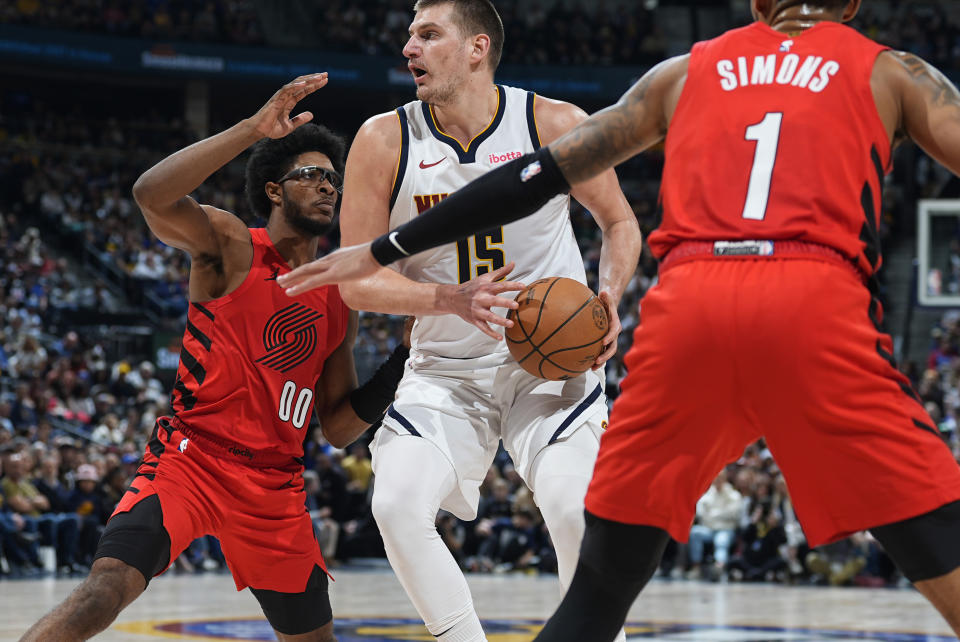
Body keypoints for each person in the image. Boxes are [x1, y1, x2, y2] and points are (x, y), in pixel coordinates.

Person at [278, 0, 960, 637]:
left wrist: (386, 249)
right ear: (851, 6)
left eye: (428, 33)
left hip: (673, 310)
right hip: (806, 298)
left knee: (600, 555)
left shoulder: (684, 70)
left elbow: (541, 183)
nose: (410, 47)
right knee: (928, 533)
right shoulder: (891, 70)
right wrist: (425, 285)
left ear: (756, 5)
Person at [21, 74, 410, 642]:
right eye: (311, 176)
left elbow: (337, 428)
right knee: (108, 584)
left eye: (333, 179)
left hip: (274, 488)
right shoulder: (230, 244)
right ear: (274, 190)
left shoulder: (341, 298)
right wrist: (253, 129)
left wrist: (401, 360)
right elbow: (151, 194)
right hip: (191, 460)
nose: (328, 187)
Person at [329, 1, 640, 639]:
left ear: (476, 48)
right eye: (408, 37)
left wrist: (608, 293)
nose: (408, 49)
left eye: (427, 35)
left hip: (546, 368)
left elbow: (618, 221)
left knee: (572, 505)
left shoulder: (552, 122)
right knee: (394, 505)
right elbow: (355, 279)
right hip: (444, 368)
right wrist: (449, 301)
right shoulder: (382, 139)